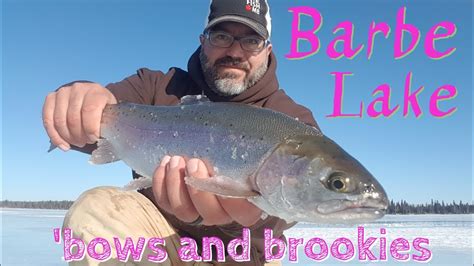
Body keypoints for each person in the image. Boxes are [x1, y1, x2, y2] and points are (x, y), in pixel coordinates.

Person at [42, 0, 319, 264]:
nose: (235, 52)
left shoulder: (294, 123)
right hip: (157, 245)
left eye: (251, 40)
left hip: (245, 259)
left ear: (267, 50)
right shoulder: (155, 88)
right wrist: (78, 98)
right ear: (203, 42)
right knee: (95, 211)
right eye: (222, 36)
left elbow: (294, 208)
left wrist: (247, 217)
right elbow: (96, 107)